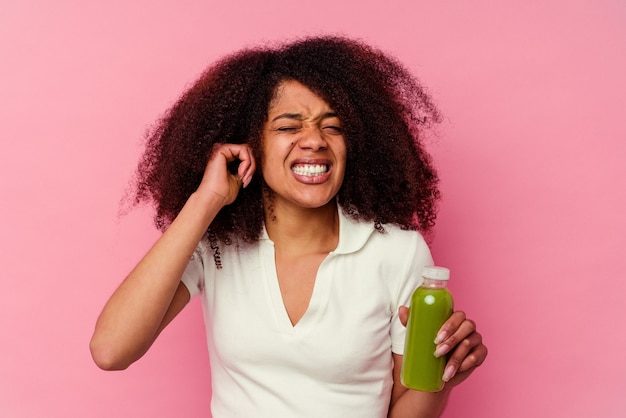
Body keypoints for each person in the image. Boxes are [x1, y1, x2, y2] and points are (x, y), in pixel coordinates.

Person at [90, 35, 487, 417]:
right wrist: (205, 201)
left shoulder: (397, 252)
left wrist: (441, 377)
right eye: (288, 126)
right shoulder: (217, 244)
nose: (314, 140)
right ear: (251, 145)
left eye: (332, 126)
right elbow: (111, 350)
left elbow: (408, 405)